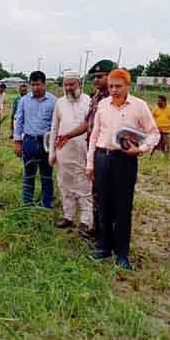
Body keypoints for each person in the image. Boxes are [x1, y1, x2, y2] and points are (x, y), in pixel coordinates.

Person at [86, 69, 160, 269]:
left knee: (122, 208)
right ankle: (103, 247)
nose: (114, 90)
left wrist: (141, 149)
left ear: (128, 86)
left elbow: (154, 134)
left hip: (124, 161)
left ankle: (122, 254)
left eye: (118, 86)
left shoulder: (139, 106)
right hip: (103, 157)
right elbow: (94, 135)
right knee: (103, 205)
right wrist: (90, 163)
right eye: (111, 86)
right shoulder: (102, 105)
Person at [54, 59, 116, 242]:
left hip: (109, 154)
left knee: (95, 191)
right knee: (93, 191)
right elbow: (87, 124)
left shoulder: (115, 99)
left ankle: (105, 234)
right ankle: (95, 230)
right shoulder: (96, 99)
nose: (96, 80)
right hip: (92, 153)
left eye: (100, 76)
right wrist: (67, 135)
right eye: (94, 77)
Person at [48, 71, 93, 236]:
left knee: (84, 186)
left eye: (72, 84)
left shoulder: (89, 101)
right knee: (64, 185)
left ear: (79, 84)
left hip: (83, 152)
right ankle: (68, 216)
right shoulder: (59, 103)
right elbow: (54, 128)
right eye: (66, 84)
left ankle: (86, 221)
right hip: (63, 152)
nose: (68, 87)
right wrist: (51, 152)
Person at [14, 71, 57, 208]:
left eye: (38, 84)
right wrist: (17, 142)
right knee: (28, 175)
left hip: (46, 143)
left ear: (44, 84)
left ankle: (47, 205)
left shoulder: (54, 101)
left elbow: (56, 124)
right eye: (33, 85)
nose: (35, 88)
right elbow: (19, 121)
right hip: (29, 142)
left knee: (46, 176)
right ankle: (27, 204)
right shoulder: (24, 100)